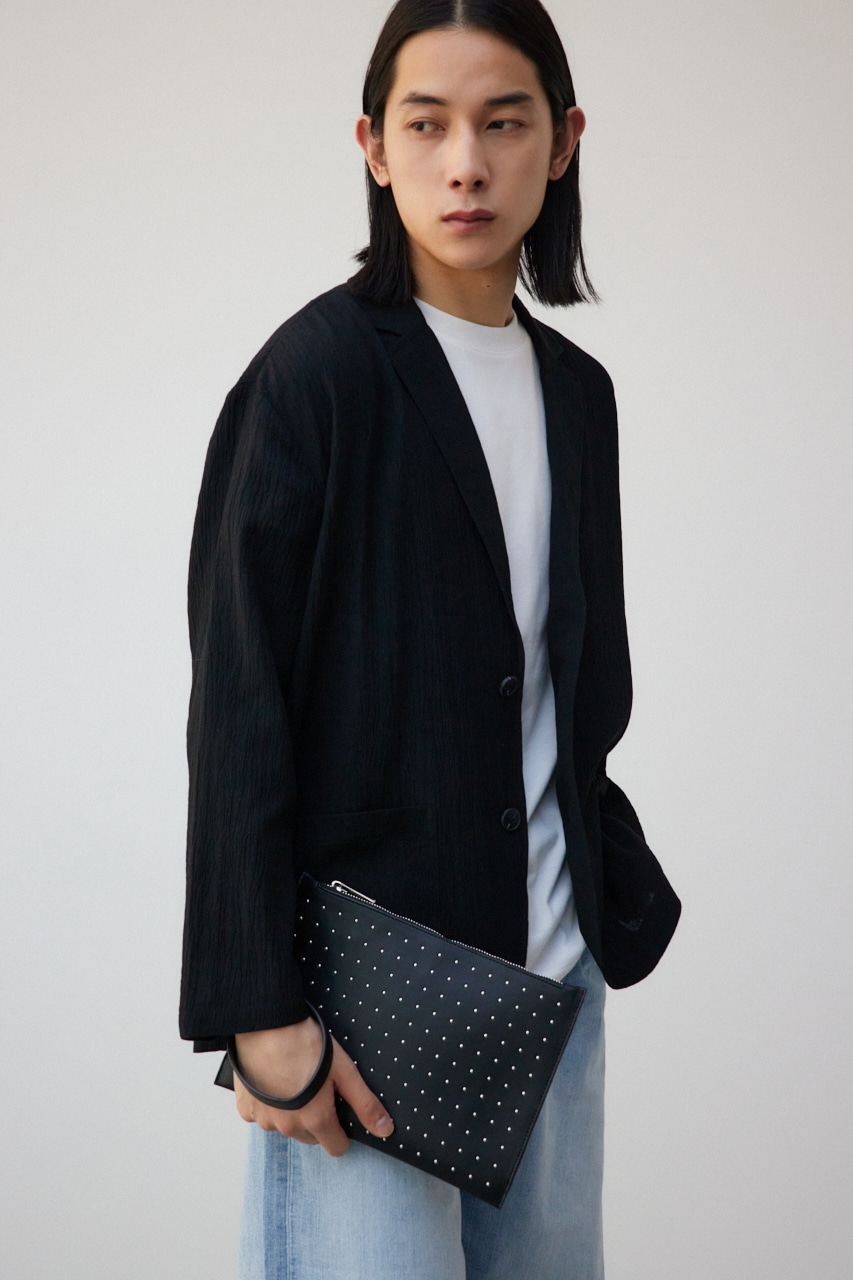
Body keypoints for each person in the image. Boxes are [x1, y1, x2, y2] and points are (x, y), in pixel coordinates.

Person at [179, 1, 681, 1276]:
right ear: (372, 144)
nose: (465, 163)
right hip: (369, 1011)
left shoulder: (578, 396)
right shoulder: (314, 378)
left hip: (552, 986)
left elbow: (572, 684)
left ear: (562, 142)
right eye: (426, 124)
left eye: (503, 123)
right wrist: (260, 1009)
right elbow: (238, 704)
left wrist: (600, 884)